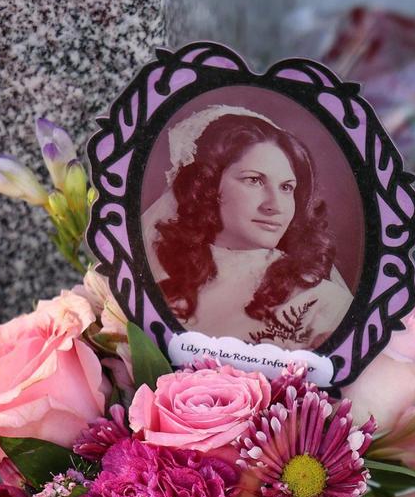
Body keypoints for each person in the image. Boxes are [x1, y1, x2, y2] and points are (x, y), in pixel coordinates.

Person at [146, 105, 354, 349]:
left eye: (286, 187)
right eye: (254, 180)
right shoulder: (161, 280)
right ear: (208, 186)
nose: (275, 205)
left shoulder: (322, 304)